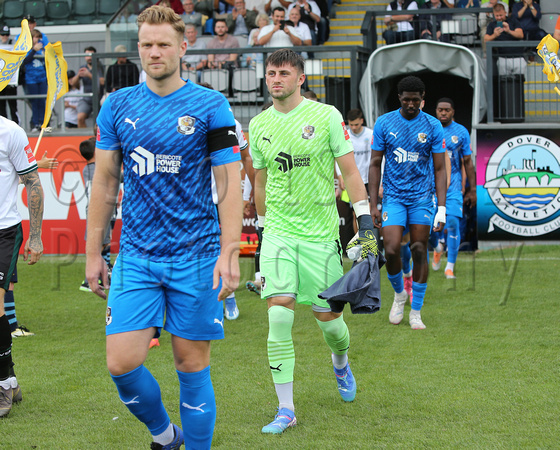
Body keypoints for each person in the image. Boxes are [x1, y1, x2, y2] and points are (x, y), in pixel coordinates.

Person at [85, 5, 242, 449]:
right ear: (138, 48)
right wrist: (93, 252)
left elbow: (229, 183)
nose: (155, 52)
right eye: (147, 45)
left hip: (196, 255)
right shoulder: (117, 106)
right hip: (136, 256)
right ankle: (164, 435)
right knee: (121, 363)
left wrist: (230, 251)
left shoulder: (210, 105)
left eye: (163, 45)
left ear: (183, 48)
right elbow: (104, 182)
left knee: (191, 365)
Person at [250, 49, 377, 434]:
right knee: (278, 312)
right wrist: (262, 228)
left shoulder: (326, 117)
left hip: (321, 234)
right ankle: (285, 409)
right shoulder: (258, 125)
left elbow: (351, 174)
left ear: (300, 78)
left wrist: (366, 222)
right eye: (271, 73)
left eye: (284, 73)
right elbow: (259, 180)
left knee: (329, 321)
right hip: (278, 235)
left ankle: (340, 363)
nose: (276, 79)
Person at [369, 75, 447, 330]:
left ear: (422, 100)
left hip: (422, 199)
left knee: (418, 248)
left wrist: (441, 209)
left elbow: (439, 169)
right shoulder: (384, 122)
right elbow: (375, 164)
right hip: (393, 197)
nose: (411, 104)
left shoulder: (433, 126)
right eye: (407, 100)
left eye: (416, 100)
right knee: (391, 249)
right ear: (399, 99)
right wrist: (372, 205)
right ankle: (399, 294)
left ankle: (416, 310)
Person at [0, 115, 44, 417]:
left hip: (3, 231)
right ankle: (11, 379)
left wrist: (36, 236)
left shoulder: (9, 131)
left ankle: (2, 384)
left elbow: (32, 182)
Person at [432, 98, 476, 279]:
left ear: (453, 112)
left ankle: (449, 267)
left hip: (453, 186)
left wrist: (472, 189)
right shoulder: (429, 128)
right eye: (440, 110)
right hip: (429, 186)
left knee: (452, 223)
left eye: (447, 110)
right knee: (429, 227)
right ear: (435, 111)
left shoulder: (461, 132)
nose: (443, 113)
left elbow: (467, 162)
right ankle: (436, 247)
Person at [70, 47, 105, 128]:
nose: (89, 58)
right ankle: (85, 139)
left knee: (100, 122)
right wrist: (78, 75)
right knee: (80, 118)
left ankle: (97, 138)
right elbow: (73, 84)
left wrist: (89, 75)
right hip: (86, 99)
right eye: (87, 55)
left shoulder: (100, 67)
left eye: (91, 55)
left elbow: (102, 81)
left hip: (99, 99)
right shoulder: (83, 67)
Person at [484, 4, 525, 75]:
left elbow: (520, 35)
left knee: (519, 81)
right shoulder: (492, 25)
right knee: (503, 81)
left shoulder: (513, 21)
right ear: (494, 15)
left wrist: (509, 31)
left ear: (505, 13)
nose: (499, 18)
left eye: (501, 15)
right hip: (502, 57)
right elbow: (486, 39)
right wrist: (494, 35)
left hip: (518, 56)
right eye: (497, 16)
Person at [21, 29, 47, 133]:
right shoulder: (27, 49)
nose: (38, 39)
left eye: (39, 37)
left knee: (42, 101)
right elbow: (25, 61)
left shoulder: (42, 49)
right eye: (36, 37)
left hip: (42, 78)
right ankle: (35, 123)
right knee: (34, 102)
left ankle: (44, 123)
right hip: (31, 79)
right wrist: (34, 50)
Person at [346, 109, 372, 193]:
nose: (353, 127)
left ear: (362, 121)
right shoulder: (345, 136)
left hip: (369, 178)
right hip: (351, 179)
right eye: (351, 125)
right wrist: (339, 175)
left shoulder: (371, 134)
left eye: (356, 125)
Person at [0, 25, 19, 125]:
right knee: (1, 105)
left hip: (11, 79)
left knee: (13, 105)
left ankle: (16, 124)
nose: (5, 37)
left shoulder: (13, 44)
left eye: (7, 34)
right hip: (1, 80)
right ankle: (3, 126)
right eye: (3, 34)